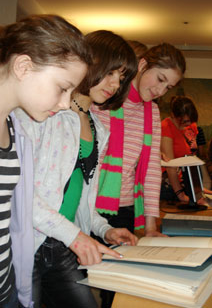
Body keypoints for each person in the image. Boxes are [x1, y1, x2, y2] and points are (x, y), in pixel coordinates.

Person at [14, 30, 138, 308]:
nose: (115, 84)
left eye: (121, 77)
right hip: (26, 244)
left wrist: (104, 229)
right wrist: (76, 237)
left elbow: (82, 198)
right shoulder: (43, 113)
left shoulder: (99, 129)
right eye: (110, 73)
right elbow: (20, 195)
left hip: (63, 245)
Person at [0, 14, 92, 308]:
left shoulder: (14, 132)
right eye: (63, 87)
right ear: (24, 66)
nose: (66, 103)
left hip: (8, 286)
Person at [91, 43, 186, 308]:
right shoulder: (104, 99)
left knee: (118, 289)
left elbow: (152, 171)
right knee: (78, 281)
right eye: (160, 79)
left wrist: (152, 227)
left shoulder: (152, 111)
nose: (159, 90)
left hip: (124, 210)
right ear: (143, 64)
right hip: (88, 209)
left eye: (167, 87)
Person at [160, 96, 199, 202]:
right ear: (173, 115)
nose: (188, 124)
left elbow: (193, 159)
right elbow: (170, 165)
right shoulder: (166, 127)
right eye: (185, 121)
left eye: (190, 120)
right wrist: (180, 194)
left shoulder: (191, 127)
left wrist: (200, 188)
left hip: (186, 180)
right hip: (170, 184)